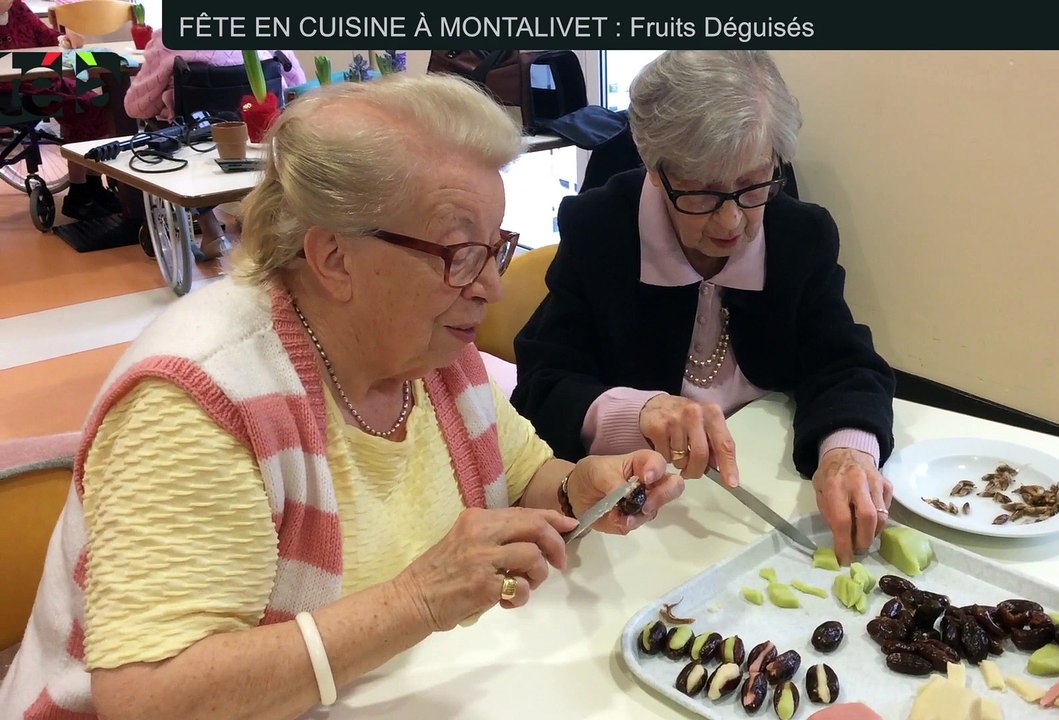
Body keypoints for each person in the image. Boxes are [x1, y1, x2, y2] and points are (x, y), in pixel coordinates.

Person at [0, 73, 685, 719]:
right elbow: (147, 699)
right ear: (332, 257)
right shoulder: (201, 402)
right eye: (458, 253)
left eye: (493, 248)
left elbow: (525, 473)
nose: (491, 288)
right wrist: (416, 600)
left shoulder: (427, 346)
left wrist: (578, 488)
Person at [511, 50, 896, 567]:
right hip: (634, 526)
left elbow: (844, 361)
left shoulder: (798, 234)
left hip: (765, 502)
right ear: (655, 170)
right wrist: (641, 410)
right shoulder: (601, 229)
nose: (732, 221)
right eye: (703, 193)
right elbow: (541, 386)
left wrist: (846, 452)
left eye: (753, 185)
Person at [123, 28, 307, 260]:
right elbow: (298, 84)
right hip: (259, 132)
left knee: (157, 133)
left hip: (198, 135)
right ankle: (256, 215)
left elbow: (136, 107)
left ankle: (211, 231)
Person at [0, 0, 120, 218]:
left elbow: (45, 35)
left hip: (42, 82)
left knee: (98, 105)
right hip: (10, 93)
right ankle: (77, 192)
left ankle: (93, 184)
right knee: (79, 107)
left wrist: (64, 38)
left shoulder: (17, 8)